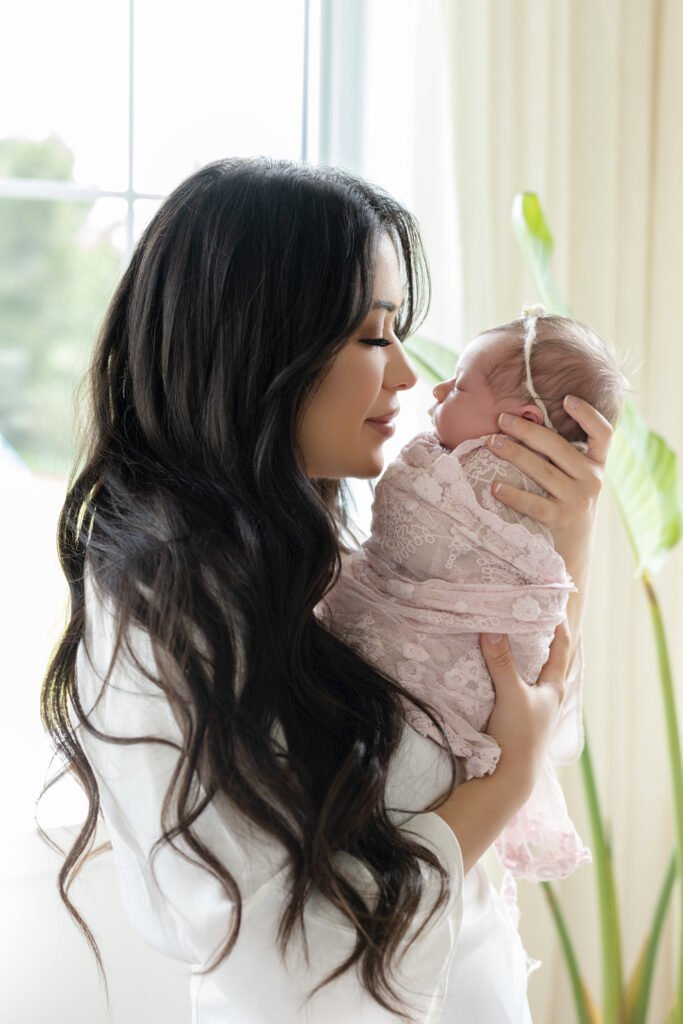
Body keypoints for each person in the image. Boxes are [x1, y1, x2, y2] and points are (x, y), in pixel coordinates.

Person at [39, 158, 613, 1024]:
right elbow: (287, 956)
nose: (409, 380)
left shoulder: (330, 554)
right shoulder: (167, 623)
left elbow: (513, 718)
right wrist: (501, 788)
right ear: (261, 347)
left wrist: (555, 543)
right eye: (375, 337)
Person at [320, 311, 627, 896]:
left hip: (470, 935)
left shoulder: (501, 492)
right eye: (371, 339)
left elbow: (539, 690)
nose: (413, 378)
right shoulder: (209, 585)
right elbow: (347, 913)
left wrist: (572, 539)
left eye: (458, 385)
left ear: (524, 423)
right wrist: (512, 773)